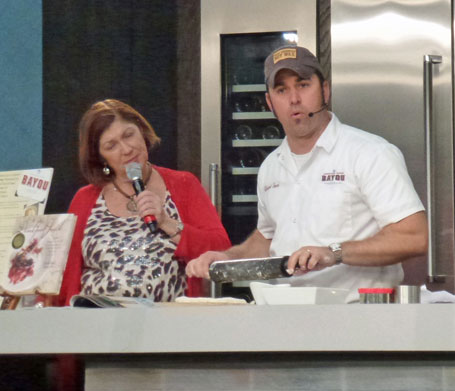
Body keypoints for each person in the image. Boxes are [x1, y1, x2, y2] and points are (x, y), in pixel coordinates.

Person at [187, 46, 427, 294]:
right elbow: (268, 239)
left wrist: (333, 253)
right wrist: (226, 258)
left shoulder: (370, 153)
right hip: (283, 316)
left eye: (303, 85)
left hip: (358, 315)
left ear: (325, 90)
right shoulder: (271, 166)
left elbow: (413, 237)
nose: (294, 100)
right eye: (282, 90)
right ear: (270, 102)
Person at [58, 99, 231, 306]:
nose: (126, 149)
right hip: (95, 324)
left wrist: (167, 223)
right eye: (111, 146)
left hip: (167, 323)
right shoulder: (85, 199)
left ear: (142, 131)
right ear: (101, 158)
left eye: (129, 135)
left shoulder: (183, 184)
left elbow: (221, 251)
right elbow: (64, 275)